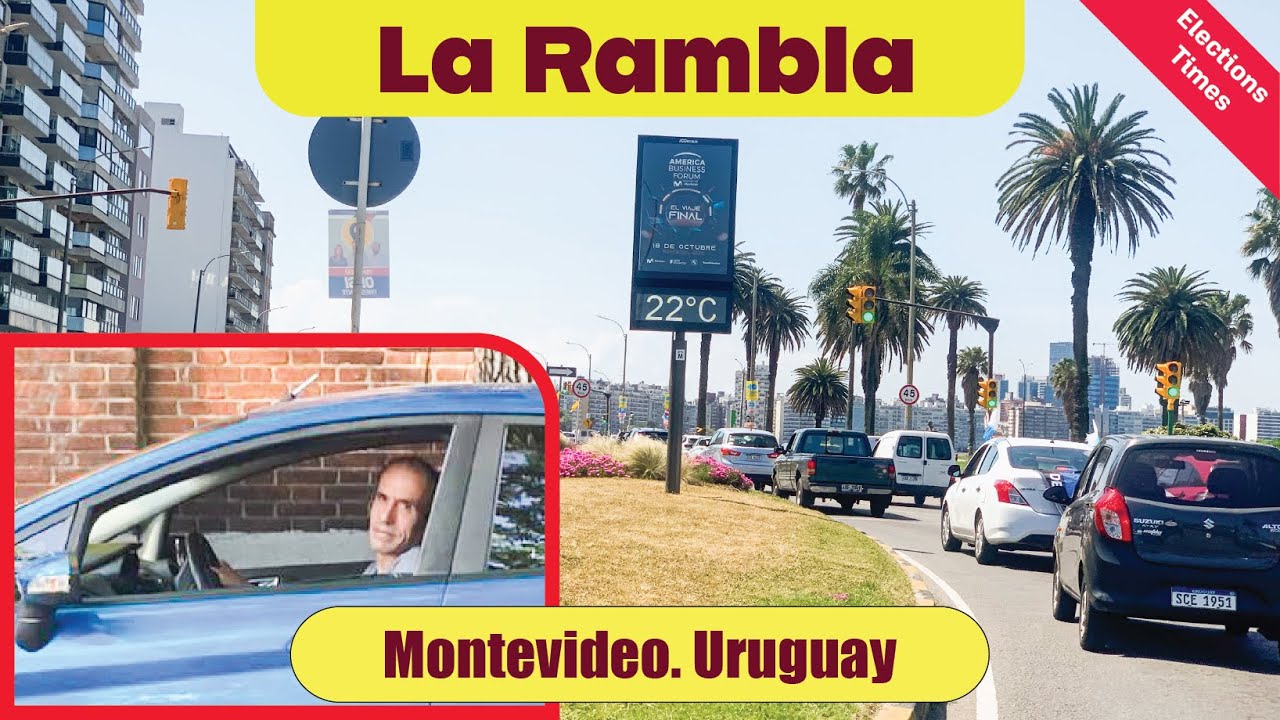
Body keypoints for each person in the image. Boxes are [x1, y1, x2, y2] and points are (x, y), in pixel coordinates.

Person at [212, 457, 437, 585]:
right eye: (382, 498)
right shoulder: (380, 572)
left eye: (406, 506)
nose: (386, 517)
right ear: (371, 503)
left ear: (426, 518)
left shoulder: (415, 575)